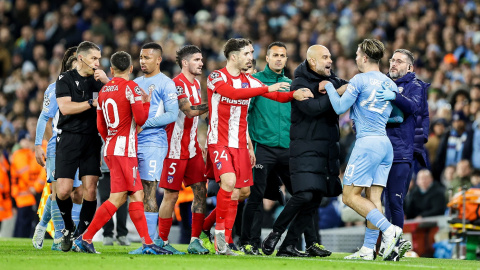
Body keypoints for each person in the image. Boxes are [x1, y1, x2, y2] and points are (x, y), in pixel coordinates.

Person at [206, 38, 313, 255]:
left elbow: (275, 96)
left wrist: (293, 94)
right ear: (234, 56)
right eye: (247, 53)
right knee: (229, 182)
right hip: (219, 141)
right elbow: (232, 94)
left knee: (241, 192)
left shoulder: (249, 81)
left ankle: (217, 236)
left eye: (252, 53)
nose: (251, 57)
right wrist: (267, 87)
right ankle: (219, 238)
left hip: (240, 145)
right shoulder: (216, 76)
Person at [74, 51, 170, 255]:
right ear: (131, 68)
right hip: (125, 150)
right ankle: (85, 238)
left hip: (110, 147)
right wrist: (145, 102)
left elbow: (100, 126)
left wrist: (112, 138)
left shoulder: (104, 91)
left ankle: (147, 243)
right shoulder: (132, 88)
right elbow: (142, 120)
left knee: (136, 195)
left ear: (111, 70)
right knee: (118, 198)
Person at [322, 39, 403, 261]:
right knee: (373, 199)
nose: (356, 58)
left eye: (357, 54)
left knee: (348, 196)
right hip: (385, 145)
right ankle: (368, 249)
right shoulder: (390, 84)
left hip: (367, 144)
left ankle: (389, 230)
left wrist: (329, 86)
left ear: (365, 58)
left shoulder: (359, 80)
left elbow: (339, 107)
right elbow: (399, 116)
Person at [261, 45, 346, 257]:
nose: (330, 61)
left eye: (330, 56)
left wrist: (332, 84)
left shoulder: (331, 79)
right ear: (313, 61)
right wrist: (336, 92)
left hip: (325, 150)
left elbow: (349, 85)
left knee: (316, 197)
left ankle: (288, 245)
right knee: (304, 194)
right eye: (325, 57)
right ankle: (276, 232)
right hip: (304, 148)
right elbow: (313, 109)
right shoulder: (299, 82)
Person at [54, 40, 109, 252]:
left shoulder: (99, 80)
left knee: (91, 190)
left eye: (99, 58)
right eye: (94, 58)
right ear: (80, 58)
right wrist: (90, 103)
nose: (97, 63)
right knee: (64, 190)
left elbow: (122, 95)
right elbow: (65, 107)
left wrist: (107, 82)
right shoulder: (65, 79)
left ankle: (82, 236)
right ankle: (68, 227)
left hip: (92, 138)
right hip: (68, 138)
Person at [157, 45, 209, 254]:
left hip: (192, 148)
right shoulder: (175, 85)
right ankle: (161, 241)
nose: (201, 63)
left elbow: (199, 116)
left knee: (200, 191)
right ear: (185, 63)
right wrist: (216, 103)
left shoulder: (196, 84)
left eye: (201, 59)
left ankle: (195, 240)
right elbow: (188, 111)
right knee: (171, 195)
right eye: (197, 59)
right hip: (174, 149)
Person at [240, 41, 291, 255]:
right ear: (267, 58)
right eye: (275, 55)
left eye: (283, 55)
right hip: (262, 147)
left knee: (301, 194)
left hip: (287, 148)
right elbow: (243, 114)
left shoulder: (290, 83)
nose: (279, 58)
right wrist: (249, 144)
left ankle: (291, 242)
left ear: (286, 59)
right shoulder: (255, 81)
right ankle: (249, 242)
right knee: (255, 195)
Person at [32, 48, 84, 251]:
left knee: (76, 192)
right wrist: (38, 144)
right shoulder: (55, 89)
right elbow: (44, 117)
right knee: (57, 191)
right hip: (58, 144)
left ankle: (50, 227)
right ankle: (59, 239)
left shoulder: (86, 89)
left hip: (80, 145)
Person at [129, 42, 178, 254]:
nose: (142, 61)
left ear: (158, 59)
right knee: (129, 192)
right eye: (141, 57)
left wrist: (144, 124)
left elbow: (172, 114)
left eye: (147, 57)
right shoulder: (134, 83)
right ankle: (148, 240)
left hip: (153, 143)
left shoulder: (166, 83)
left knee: (149, 191)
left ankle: (149, 244)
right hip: (132, 143)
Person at [376, 49, 424, 259]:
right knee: (377, 201)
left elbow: (413, 106)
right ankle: (378, 246)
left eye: (399, 61)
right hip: (378, 150)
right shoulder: (380, 82)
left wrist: (394, 95)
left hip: (400, 152)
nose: (393, 63)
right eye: (392, 60)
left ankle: (395, 247)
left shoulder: (416, 86)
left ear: (410, 67)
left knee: (394, 201)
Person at [98, 152, 130, 246]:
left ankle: (122, 234)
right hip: (103, 169)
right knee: (105, 200)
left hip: (121, 167)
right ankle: (107, 234)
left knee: (122, 201)